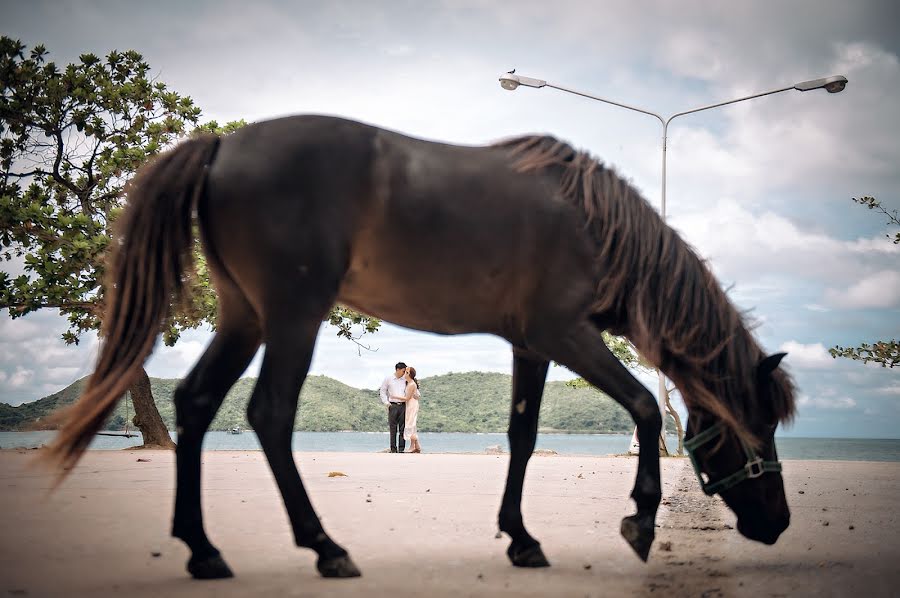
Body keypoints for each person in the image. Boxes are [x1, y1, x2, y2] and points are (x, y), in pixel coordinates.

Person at [379, 362, 408, 453]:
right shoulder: (388, 379)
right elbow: (382, 391)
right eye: (403, 371)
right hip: (393, 405)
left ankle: (401, 449)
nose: (404, 373)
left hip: (403, 405)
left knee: (403, 428)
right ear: (398, 370)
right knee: (393, 428)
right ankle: (393, 449)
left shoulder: (405, 379)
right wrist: (386, 403)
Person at [400, 367, 421, 453]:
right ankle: (417, 446)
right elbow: (417, 395)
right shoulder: (408, 383)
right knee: (411, 424)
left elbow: (408, 398)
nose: (405, 373)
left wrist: (393, 396)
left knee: (411, 424)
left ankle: (412, 446)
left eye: (406, 372)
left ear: (410, 374)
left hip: (412, 405)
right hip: (409, 405)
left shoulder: (412, 384)